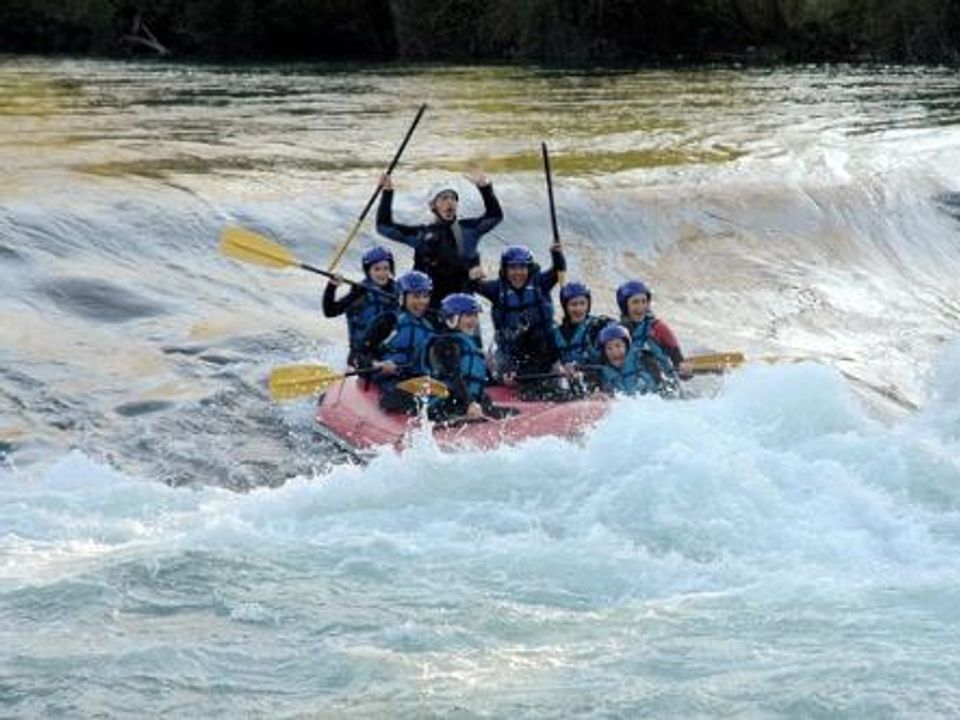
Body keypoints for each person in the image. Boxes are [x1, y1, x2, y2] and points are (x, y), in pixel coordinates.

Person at [375, 170, 503, 307]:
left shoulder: (469, 230)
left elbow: (495, 216)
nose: (450, 202)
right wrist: (387, 192)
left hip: (463, 308)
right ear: (433, 205)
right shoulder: (421, 235)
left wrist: (485, 188)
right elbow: (384, 226)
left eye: (453, 198)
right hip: (430, 307)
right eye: (444, 198)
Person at [472, 243, 566, 398]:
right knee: (506, 375)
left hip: (544, 351)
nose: (518, 273)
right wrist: (473, 274)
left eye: (522, 267)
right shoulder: (496, 290)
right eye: (512, 268)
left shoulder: (542, 283)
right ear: (505, 269)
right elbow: (472, 285)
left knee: (554, 372)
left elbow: (559, 269)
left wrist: (556, 254)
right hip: (511, 353)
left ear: (529, 268)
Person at [421, 293, 516, 421]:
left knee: (514, 414)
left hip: (469, 402)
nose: (474, 321)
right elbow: (452, 377)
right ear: (452, 318)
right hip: (447, 405)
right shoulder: (445, 344)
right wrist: (469, 403)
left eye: (475, 316)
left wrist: (502, 379)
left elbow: (479, 377)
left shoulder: (469, 344)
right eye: (468, 316)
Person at [354, 270, 437, 415]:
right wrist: (377, 364)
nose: (422, 301)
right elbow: (357, 356)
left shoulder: (429, 327)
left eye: (425, 296)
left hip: (417, 381)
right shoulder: (388, 321)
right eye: (416, 296)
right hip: (389, 381)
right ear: (402, 297)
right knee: (401, 396)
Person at [321, 245, 397, 367]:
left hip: (387, 354)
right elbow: (330, 311)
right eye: (377, 269)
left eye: (386, 268)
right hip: (360, 355)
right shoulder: (359, 293)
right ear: (368, 271)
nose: (382, 273)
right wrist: (332, 286)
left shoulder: (399, 292)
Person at [616, 280, 692, 380]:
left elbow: (678, 362)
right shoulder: (617, 332)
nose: (641, 307)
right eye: (635, 302)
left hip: (663, 390)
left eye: (644, 301)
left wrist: (685, 371)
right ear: (625, 306)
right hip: (632, 392)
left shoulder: (658, 328)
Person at [595, 323, 661, 396]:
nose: (614, 351)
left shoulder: (643, 359)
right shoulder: (604, 373)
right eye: (609, 348)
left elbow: (659, 384)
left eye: (618, 346)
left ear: (626, 347)